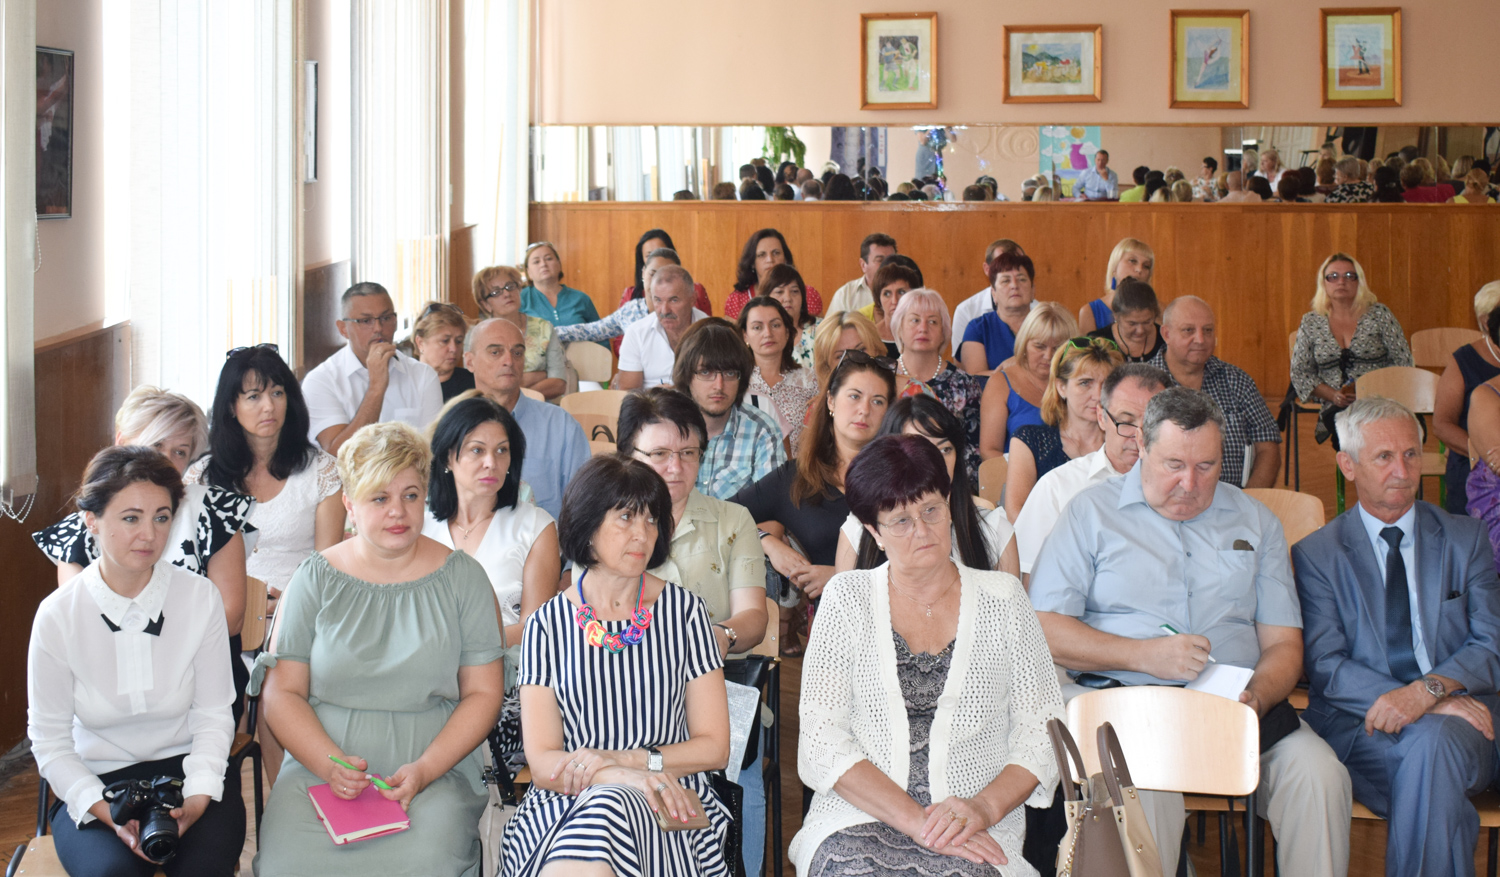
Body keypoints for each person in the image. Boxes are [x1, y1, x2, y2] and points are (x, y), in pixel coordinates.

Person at [1030, 387, 1353, 877]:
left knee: (1320, 775)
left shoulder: (1256, 521)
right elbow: (1046, 628)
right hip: (1129, 708)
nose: (1190, 482)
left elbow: (1284, 644)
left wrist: (1257, 698)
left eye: (1206, 466)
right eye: (1174, 464)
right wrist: (1144, 657)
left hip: (1236, 711)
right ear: (1141, 447)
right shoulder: (1090, 513)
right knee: (1143, 786)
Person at [792, 434, 1063, 877]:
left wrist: (982, 807)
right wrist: (918, 822)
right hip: (858, 817)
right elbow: (822, 739)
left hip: (975, 824)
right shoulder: (847, 598)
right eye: (900, 521)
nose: (922, 531)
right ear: (874, 531)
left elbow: (1042, 729)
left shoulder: (1004, 598)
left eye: (931, 510)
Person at [253, 422, 505, 876]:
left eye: (410, 495)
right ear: (349, 503)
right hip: (322, 768)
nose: (398, 512)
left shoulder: (463, 578)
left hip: (434, 768)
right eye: (379, 498)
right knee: (286, 864)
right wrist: (327, 766)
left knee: (428, 860)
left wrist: (426, 770)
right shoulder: (314, 577)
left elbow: (484, 695)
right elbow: (281, 694)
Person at [498, 455, 733, 876]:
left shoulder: (685, 614)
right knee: (607, 806)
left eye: (651, 519)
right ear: (587, 525)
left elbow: (714, 749)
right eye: (625, 517)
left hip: (670, 798)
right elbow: (544, 762)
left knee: (609, 811)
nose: (642, 534)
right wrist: (620, 779)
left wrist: (631, 763)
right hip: (566, 803)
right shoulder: (546, 626)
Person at [1295, 397, 1500, 877]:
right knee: (1433, 768)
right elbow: (1326, 664)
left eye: (1411, 454)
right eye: (1384, 457)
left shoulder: (1465, 538)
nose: (1402, 470)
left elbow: (1491, 646)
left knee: (1431, 750)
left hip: (1470, 719)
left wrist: (1428, 692)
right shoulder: (1317, 554)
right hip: (1362, 725)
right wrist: (1415, 701)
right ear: (1348, 465)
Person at [28, 446, 244, 877]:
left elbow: (214, 715)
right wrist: (106, 812)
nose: (149, 534)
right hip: (98, 784)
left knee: (204, 867)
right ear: (92, 520)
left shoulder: (200, 598)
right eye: (131, 518)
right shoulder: (57, 615)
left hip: (188, 772)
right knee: (111, 874)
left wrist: (199, 798)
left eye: (161, 517)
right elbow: (50, 741)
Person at [616, 388, 772, 876]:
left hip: (719, 685)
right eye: (659, 454)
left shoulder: (733, 520)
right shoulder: (607, 522)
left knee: (744, 775)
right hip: (626, 695)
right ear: (628, 456)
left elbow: (753, 618)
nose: (676, 467)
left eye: (688, 453)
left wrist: (708, 643)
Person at [33, 386, 252, 719]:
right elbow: (79, 623)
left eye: (180, 451)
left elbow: (231, 617)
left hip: (197, 680)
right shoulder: (84, 524)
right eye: (156, 445)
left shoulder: (213, 510)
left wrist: (164, 665)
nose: (166, 461)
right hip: (104, 687)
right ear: (122, 443)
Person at [733, 350, 895, 607]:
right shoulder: (795, 477)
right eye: (854, 396)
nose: (864, 410)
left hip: (897, 620)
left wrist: (840, 576)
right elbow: (721, 514)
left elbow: (930, 561)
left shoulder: (902, 476)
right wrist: (768, 543)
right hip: (833, 630)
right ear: (830, 401)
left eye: (877, 401)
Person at [191, 344, 343, 606]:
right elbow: (191, 568)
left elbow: (326, 568)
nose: (268, 407)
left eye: (277, 393)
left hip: (300, 610)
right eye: (253, 397)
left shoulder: (322, 471)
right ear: (231, 406)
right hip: (222, 614)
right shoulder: (201, 478)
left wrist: (288, 604)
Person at [423, 392, 559, 652]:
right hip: (426, 671)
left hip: (508, 669)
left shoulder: (535, 527)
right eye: (477, 450)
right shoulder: (420, 524)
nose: (491, 463)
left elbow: (534, 626)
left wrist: (457, 650)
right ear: (447, 457)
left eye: (501, 450)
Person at [1013, 364, 1169, 581]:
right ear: (1102, 417)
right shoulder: (1059, 487)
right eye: (1126, 421)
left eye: (1152, 424)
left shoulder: (1185, 487)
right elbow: (1027, 577)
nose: (1139, 436)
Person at [834, 396, 1018, 577]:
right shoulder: (860, 528)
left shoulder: (994, 529)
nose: (937, 462)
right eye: (921, 450)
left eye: (945, 449)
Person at [1150, 295, 1282, 488]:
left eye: (1208, 330)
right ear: (1166, 334)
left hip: (1234, 505)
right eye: (1188, 330)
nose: (1201, 339)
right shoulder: (1144, 385)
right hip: (1163, 506)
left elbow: (1268, 448)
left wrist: (1250, 504)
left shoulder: (1237, 381)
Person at [465, 318, 589, 520]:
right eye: (495, 352)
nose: (509, 361)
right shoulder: (454, 428)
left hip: (547, 547)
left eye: (517, 352)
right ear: (469, 361)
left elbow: (584, 510)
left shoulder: (562, 427)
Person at [301, 281, 444, 454]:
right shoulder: (320, 381)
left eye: (385, 318)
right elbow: (337, 455)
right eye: (365, 321)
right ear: (343, 328)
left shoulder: (423, 375)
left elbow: (431, 453)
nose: (378, 328)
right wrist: (376, 388)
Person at [1291, 253, 1414, 447]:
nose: (1341, 282)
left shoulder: (1380, 314)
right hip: (1335, 406)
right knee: (1353, 434)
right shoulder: (1311, 321)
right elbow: (1300, 372)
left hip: (1381, 399)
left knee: (1380, 434)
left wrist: (1371, 390)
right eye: (1333, 276)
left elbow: (1403, 362)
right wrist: (1333, 395)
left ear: (1360, 282)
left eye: (1349, 276)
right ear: (1323, 283)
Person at [1004, 338, 1122, 522]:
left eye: (1106, 384)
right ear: (1061, 387)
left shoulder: (1125, 439)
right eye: (1085, 383)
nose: (1098, 395)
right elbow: (1017, 513)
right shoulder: (1030, 439)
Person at [670, 319, 785, 501]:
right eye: (706, 372)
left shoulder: (762, 431)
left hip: (741, 530)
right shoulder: (663, 427)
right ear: (687, 376)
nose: (719, 385)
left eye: (730, 373)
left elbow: (773, 514)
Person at [891, 289, 983, 483]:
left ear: (944, 333)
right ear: (899, 328)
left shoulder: (966, 384)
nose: (923, 328)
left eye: (933, 321)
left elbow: (973, 451)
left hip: (952, 483)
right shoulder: (882, 378)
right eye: (915, 320)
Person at [977, 303, 1075, 460]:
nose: (1048, 356)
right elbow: (989, 451)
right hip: (1017, 477)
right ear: (1024, 344)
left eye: (1057, 348)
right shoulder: (1001, 383)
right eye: (1039, 346)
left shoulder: (1079, 382)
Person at [555, 245, 700, 348]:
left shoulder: (692, 314)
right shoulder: (630, 311)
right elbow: (592, 331)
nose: (659, 281)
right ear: (643, 273)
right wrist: (545, 332)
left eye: (668, 275)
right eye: (653, 273)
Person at [1436, 282, 1500, 515]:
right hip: (1472, 460)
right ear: (1486, 321)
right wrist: (1479, 450)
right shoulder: (1464, 360)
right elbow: (1442, 424)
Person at [473, 264, 568, 400]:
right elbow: (479, 386)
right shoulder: (478, 335)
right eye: (496, 292)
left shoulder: (544, 327)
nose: (506, 293)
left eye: (510, 286)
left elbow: (558, 383)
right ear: (485, 305)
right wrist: (536, 376)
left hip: (541, 408)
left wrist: (515, 392)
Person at [739, 296, 819, 450]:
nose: (768, 333)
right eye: (757, 327)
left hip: (799, 469)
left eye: (775, 325)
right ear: (745, 335)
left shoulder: (810, 380)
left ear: (787, 332)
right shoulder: (737, 381)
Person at [617, 264, 708, 390]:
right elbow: (627, 393)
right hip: (650, 407)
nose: (664, 310)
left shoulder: (711, 331)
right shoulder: (636, 332)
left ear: (692, 299)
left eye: (673, 300)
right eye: (658, 300)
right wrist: (656, 396)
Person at [959, 251, 1039, 375]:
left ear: (1033, 290)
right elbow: (976, 377)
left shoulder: (1048, 325)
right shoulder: (978, 328)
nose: (1014, 285)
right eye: (1006, 281)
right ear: (994, 293)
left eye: (1021, 279)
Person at [608, 230, 711, 318]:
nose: (657, 259)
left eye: (661, 252)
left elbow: (709, 329)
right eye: (649, 255)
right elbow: (619, 338)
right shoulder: (631, 296)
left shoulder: (697, 291)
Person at [723, 229, 823, 320]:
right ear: (752, 263)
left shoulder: (808, 294)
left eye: (776, 253)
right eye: (762, 255)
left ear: (786, 259)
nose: (770, 260)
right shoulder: (737, 299)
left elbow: (819, 333)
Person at [951, 240, 1026, 357]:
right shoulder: (966, 311)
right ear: (987, 269)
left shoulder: (1038, 311)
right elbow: (963, 368)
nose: (1013, 282)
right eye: (1003, 266)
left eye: (1019, 266)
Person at [1078, 238, 1154, 336]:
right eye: (1132, 261)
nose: (1139, 269)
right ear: (1114, 267)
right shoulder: (1089, 312)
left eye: (1146, 266)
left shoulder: (1160, 311)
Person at [519, 241, 601, 329]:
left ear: (559, 264)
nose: (543, 264)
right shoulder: (520, 299)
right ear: (528, 272)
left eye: (549, 259)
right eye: (536, 262)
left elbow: (601, 337)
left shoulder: (581, 298)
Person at [1088, 277, 1166, 363]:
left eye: (1147, 322)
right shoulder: (1096, 343)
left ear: (1155, 315)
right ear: (1116, 316)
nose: (1140, 330)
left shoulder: (1166, 339)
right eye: (1132, 323)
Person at [757, 263, 821, 369]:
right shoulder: (758, 334)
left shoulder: (821, 330)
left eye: (794, 291)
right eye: (779, 292)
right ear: (765, 298)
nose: (788, 298)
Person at [411, 301, 477, 401]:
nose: (454, 349)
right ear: (420, 343)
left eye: (458, 341)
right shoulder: (405, 384)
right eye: (445, 341)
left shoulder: (474, 385)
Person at [825, 233, 897, 316]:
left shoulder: (907, 292)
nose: (888, 265)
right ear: (863, 265)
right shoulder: (845, 295)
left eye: (892, 259)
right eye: (880, 260)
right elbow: (831, 328)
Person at [811, 310, 886, 389]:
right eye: (841, 356)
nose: (853, 361)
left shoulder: (897, 393)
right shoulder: (819, 400)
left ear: (876, 350)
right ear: (826, 366)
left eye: (861, 350)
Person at [866, 259, 921, 358]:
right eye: (887, 294)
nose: (894, 301)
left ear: (914, 296)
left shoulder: (923, 333)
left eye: (901, 292)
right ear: (878, 299)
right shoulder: (869, 337)